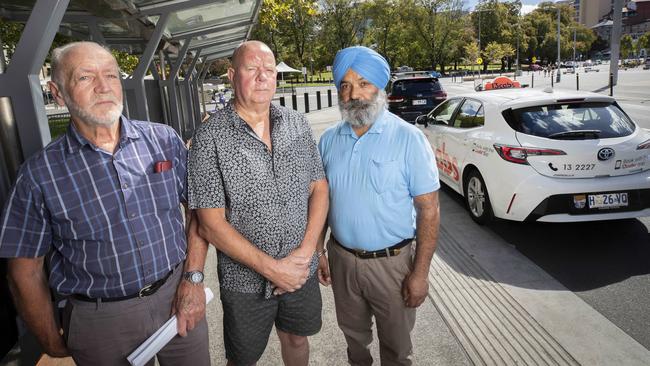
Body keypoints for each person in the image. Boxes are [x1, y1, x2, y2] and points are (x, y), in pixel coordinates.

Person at [0, 41, 210, 365]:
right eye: (85, 78)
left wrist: (194, 278)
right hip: (101, 321)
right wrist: (49, 338)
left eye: (111, 75)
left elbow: (198, 211)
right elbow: (23, 270)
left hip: (176, 296)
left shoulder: (164, 140)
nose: (103, 87)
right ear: (58, 93)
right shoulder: (38, 176)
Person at [187, 40, 329, 366]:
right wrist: (274, 270)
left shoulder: (297, 124)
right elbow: (210, 223)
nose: (263, 77)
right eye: (252, 69)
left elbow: (319, 188)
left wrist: (306, 254)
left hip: (299, 272)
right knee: (243, 357)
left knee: (296, 338)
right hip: (245, 282)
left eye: (269, 70)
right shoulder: (210, 137)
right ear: (232, 75)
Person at [317, 46, 441, 366]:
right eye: (345, 85)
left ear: (380, 88)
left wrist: (421, 274)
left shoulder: (408, 138)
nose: (354, 93)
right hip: (342, 260)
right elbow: (320, 201)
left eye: (363, 83)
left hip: (393, 266)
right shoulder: (328, 140)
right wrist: (319, 251)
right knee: (354, 342)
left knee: (397, 349)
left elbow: (429, 210)